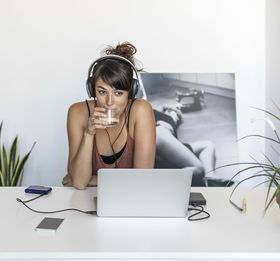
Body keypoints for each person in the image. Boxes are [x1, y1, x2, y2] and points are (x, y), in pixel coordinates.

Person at [62, 42, 156, 189]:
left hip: (130, 199)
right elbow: (80, 184)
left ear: (130, 92)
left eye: (118, 93)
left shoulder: (140, 111)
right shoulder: (77, 113)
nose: (109, 102)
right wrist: (88, 133)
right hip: (86, 201)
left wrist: (92, 180)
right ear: (91, 90)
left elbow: (142, 179)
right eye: (102, 92)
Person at [153, 106, 217, 186]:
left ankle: (211, 178)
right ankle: (156, 183)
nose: (176, 111)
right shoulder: (158, 116)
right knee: (199, 169)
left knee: (208, 145)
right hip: (158, 135)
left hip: (166, 142)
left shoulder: (170, 118)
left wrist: (172, 114)